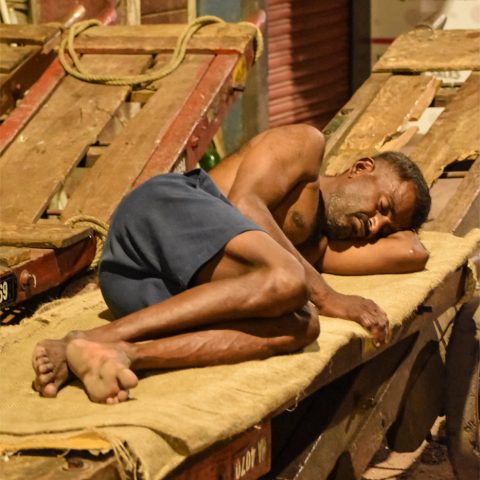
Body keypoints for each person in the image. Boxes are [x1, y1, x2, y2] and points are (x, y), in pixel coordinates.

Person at [32, 124, 431, 404]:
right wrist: (326, 295)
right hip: (160, 218)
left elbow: (414, 252)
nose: (374, 225)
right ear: (361, 167)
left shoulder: (320, 247)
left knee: (301, 326)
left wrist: (317, 284)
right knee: (291, 284)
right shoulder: (306, 147)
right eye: (381, 207)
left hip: (147, 288)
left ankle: (116, 352)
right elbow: (244, 204)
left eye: (384, 227)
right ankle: (95, 337)